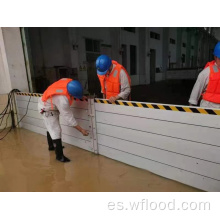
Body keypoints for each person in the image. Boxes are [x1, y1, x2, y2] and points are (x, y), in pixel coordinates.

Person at [38, 78, 89, 163]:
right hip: (47, 109)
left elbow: (71, 94)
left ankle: (51, 146)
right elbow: (69, 118)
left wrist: (80, 96)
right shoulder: (62, 100)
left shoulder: (68, 82)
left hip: (49, 103)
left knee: (50, 128)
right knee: (56, 130)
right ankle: (59, 156)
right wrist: (81, 130)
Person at [189, 42, 220, 108]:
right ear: (215, 57)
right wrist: (191, 105)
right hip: (208, 107)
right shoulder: (207, 72)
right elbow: (197, 89)